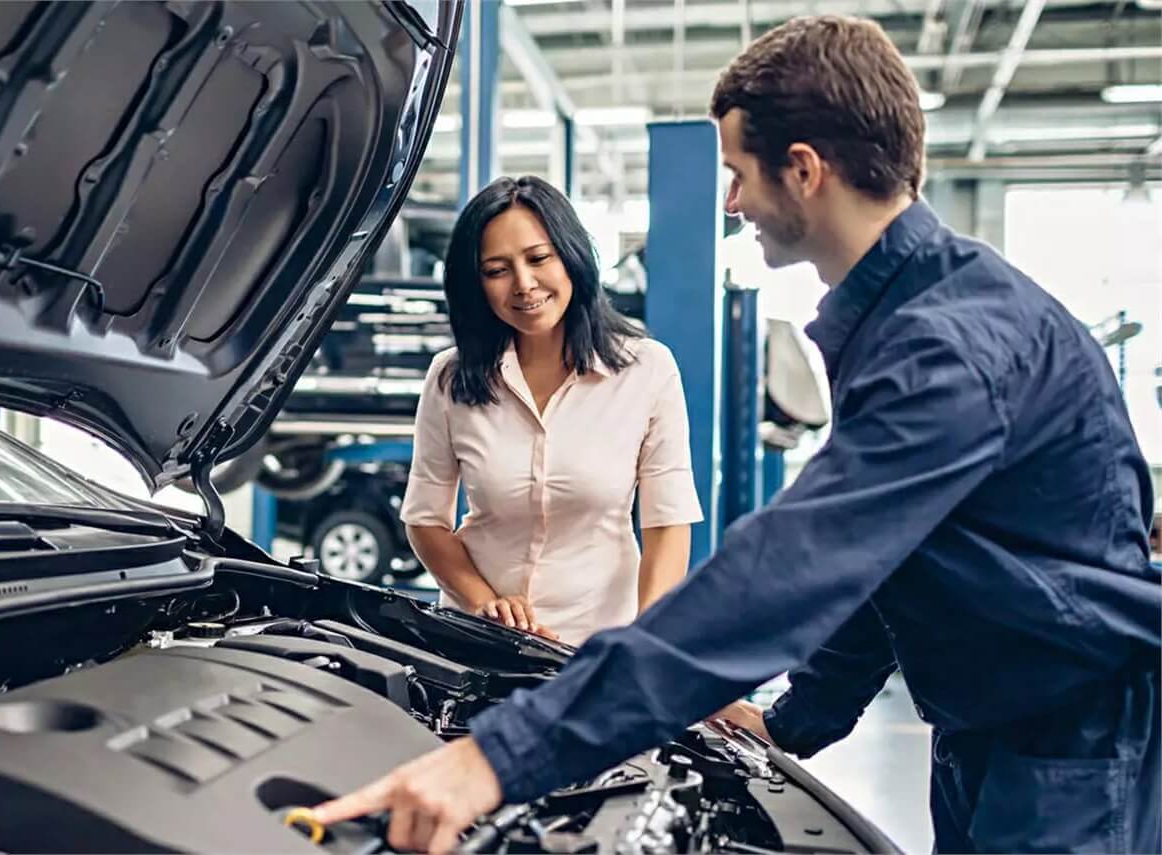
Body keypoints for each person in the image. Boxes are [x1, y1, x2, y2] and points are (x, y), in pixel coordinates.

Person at [314, 16, 1161, 854]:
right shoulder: (901, 320)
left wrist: (496, 759)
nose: (729, 201)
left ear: (803, 171)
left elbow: (795, 565)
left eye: (737, 172)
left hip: (1069, 748)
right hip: (988, 729)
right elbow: (890, 560)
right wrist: (796, 721)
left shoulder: (946, 348)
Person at [399, 175, 702, 645]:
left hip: (599, 645)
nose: (524, 284)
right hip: (478, 642)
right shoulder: (450, 378)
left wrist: (646, 644)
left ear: (572, 257)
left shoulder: (648, 370)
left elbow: (667, 523)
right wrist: (482, 600)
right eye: (497, 270)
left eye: (539, 258)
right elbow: (425, 519)